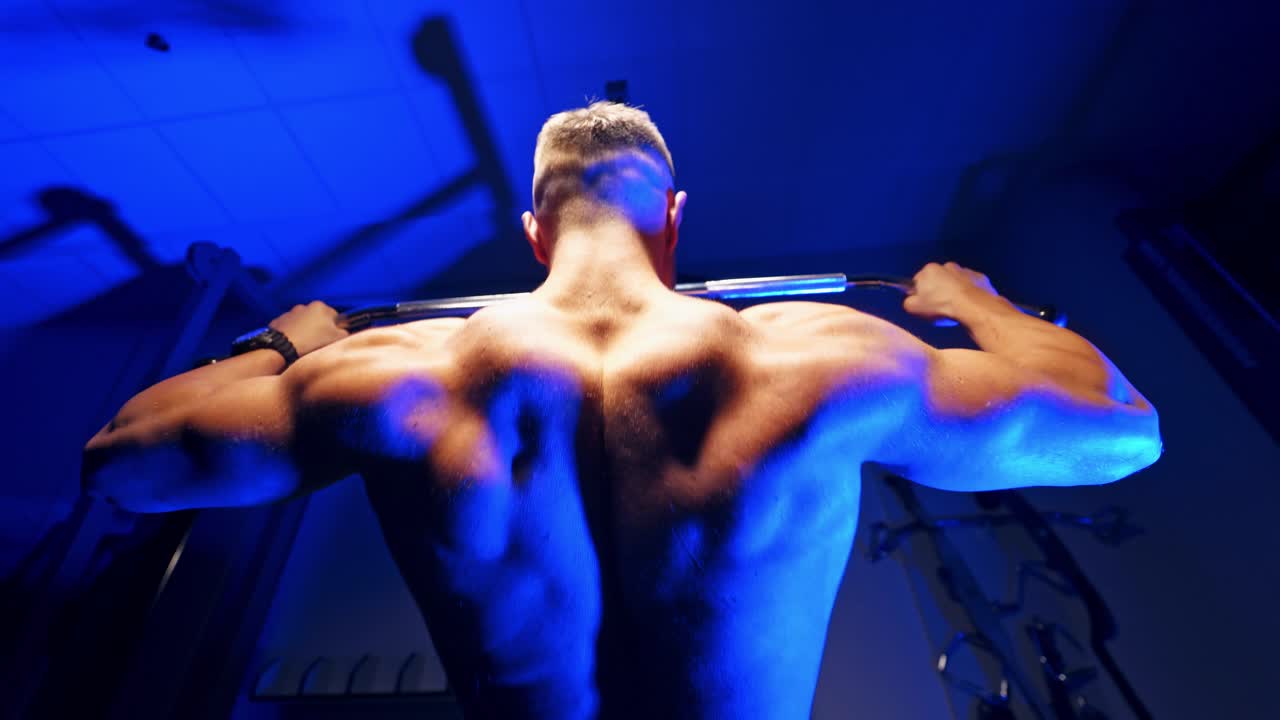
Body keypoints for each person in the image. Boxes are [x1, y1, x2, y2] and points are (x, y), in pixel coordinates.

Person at [81, 102, 1163, 719]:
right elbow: (1119, 426)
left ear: (533, 232)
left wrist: (287, 343)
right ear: (673, 222)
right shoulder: (826, 364)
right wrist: (971, 301)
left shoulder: (392, 375)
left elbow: (121, 459)